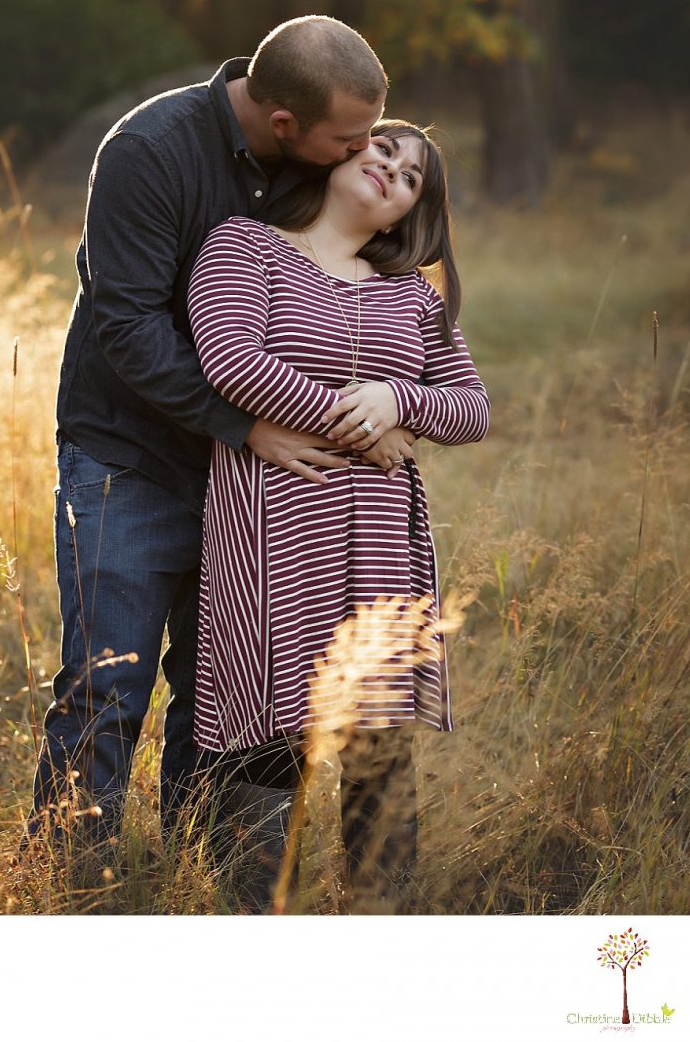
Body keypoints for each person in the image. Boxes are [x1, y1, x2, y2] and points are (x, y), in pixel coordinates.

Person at [25, 15, 404, 856]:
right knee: (107, 688)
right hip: (131, 458)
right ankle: (68, 888)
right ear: (283, 125)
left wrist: (387, 397)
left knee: (228, 691)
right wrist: (242, 424)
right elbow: (126, 325)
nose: (366, 151)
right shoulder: (149, 152)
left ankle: (208, 883)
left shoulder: (325, 174)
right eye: (351, 136)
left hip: (257, 484)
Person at [187, 120, 490, 911]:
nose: (393, 168)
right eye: (382, 149)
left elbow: (470, 408)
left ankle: (380, 933)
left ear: (406, 217)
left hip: (382, 543)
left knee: (378, 744)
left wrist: (400, 398)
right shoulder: (244, 246)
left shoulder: (410, 296)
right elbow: (228, 360)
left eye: (413, 176)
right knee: (268, 735)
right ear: (341, 155)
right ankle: (254, 924)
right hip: (272, 527)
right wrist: (358, 421)